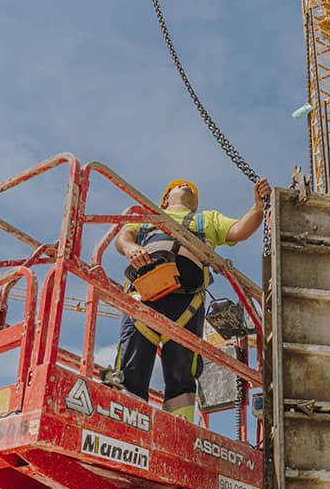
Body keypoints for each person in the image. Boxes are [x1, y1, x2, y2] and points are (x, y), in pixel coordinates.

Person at [114, 177, 271, 422]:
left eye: (192, 189)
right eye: (178, 185)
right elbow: (124, 237)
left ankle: (179, 427)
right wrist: (130, 248)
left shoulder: (207, 220)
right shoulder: (147, 214)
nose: (186, 186)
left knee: (182, 373)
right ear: (165, 199)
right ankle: (126, 423)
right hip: (143, 299)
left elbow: (239, 230)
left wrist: (258, 208)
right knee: (132, 367)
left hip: (186, 305)